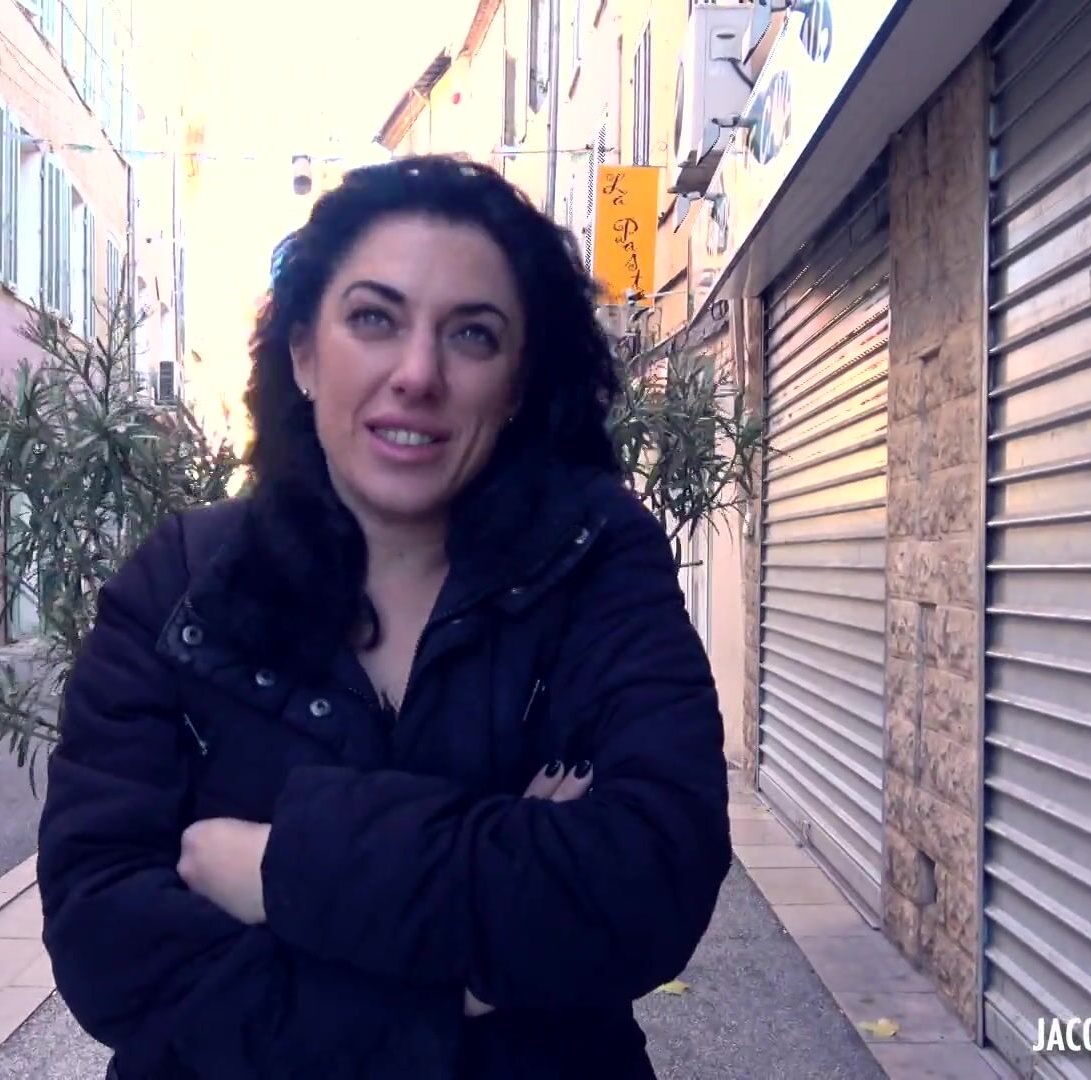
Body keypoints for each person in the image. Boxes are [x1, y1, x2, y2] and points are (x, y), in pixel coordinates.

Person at [37, 155, 733, 1079]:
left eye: (473, 335)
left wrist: (282, 866)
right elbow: (107, 941)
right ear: (303, 354)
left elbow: (651, 882)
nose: (417, 374)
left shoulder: (595, 564)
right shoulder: (182, 587)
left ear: (518, 383)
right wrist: (460, 987)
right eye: (374, 318)